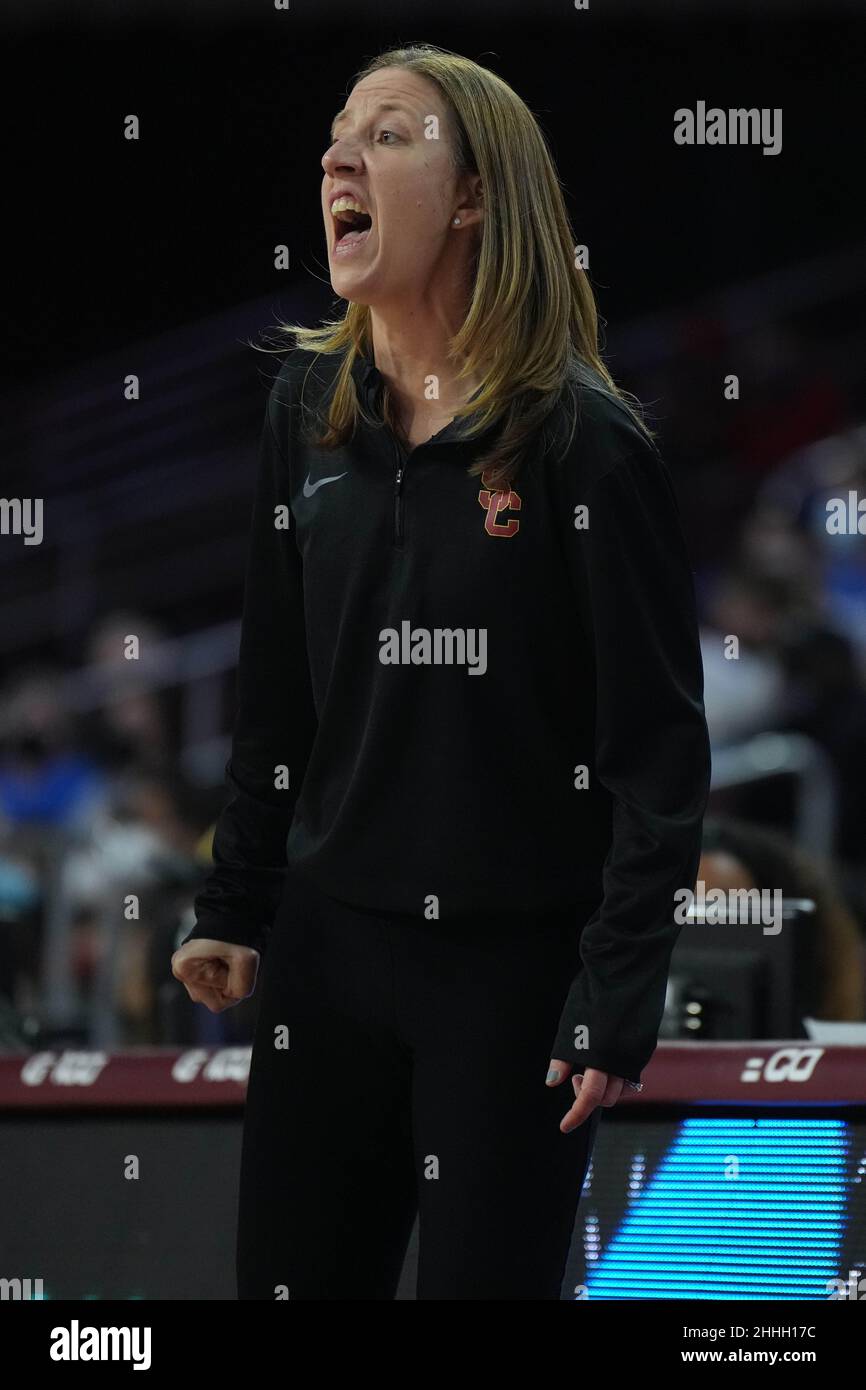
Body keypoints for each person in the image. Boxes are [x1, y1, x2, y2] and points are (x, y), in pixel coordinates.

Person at [171, 43, 711, 1301]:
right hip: (326, 956)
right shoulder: (303, 406)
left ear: (472, 198)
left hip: (509, 981)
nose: (337, 157)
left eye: (392, 133)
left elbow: (658, 755)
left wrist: (614, 995)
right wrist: (233, 901)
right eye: (335, 135)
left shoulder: (585, 441)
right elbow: (276, 690)